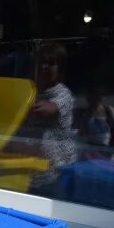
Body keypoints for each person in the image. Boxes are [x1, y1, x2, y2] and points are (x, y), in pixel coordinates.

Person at [28, 43, 76, 194]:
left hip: (58, 168)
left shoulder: (63, 93)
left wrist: (21, 107)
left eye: (51, 64)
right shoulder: (32, 90)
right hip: (36, 166)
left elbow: (49, 109)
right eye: (41, 62)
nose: (44, 67)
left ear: (60, 69)